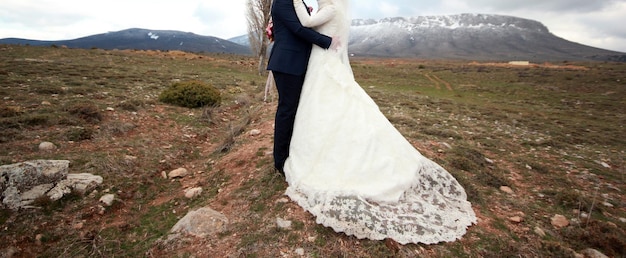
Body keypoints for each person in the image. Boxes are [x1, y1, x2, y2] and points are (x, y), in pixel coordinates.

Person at [282, 0, 477, 245]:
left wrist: (296, 3)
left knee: (327, 105)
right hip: (323, 62)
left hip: (325, 64)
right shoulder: (334, 10)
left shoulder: (330, 9)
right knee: (325, 104)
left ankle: (324, 153)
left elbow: (307, 23)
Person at [266, 0, 338, 174]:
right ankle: (280, 161)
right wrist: (327, 41)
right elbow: (298, 29)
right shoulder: (282, 1)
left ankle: (291, 151)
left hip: (296, 61)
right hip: (287, 63)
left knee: (294, 109)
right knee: (287, 110)